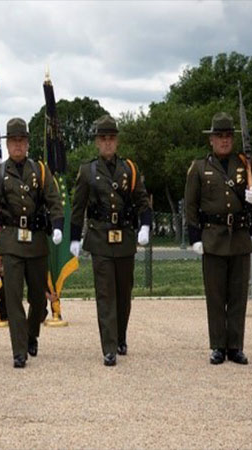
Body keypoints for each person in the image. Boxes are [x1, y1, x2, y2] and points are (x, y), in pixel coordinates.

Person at [184, 112, 252, 365]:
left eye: (227, 136)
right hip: (212, 237)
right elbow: (190, 206)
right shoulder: (199, 167)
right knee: (215, 295)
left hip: (240, 237)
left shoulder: (246, 164)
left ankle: (236, 346)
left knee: (237, 295)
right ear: (211, 139)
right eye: (219, 136)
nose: (224, 140)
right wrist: (194, 238)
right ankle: (217, 346)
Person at [0, 117, 63, 368]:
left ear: (27, 143)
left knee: (38, 298)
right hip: (11, 243)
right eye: (13, 141)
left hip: (36, 241)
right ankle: (19, 351)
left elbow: (54, 201)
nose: (17, 145)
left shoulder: (40, 170)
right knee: (13, 297)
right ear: (7, 144)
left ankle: (31, 334)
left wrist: (57, 226)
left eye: (21, 141)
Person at [69, 115, 152, 366]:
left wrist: (145, 225)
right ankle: (108, 347)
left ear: (116, 141)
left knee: (123, 293)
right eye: (103, 138)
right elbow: (78, 207)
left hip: (125, 237)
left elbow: (141, 200)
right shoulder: (87, 170)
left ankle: (120, 336)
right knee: (105, 294)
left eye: (111, 138)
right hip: (100, 237)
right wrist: (74, 237)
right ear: (97, 142)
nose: (107, 143)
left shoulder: (130, 169)